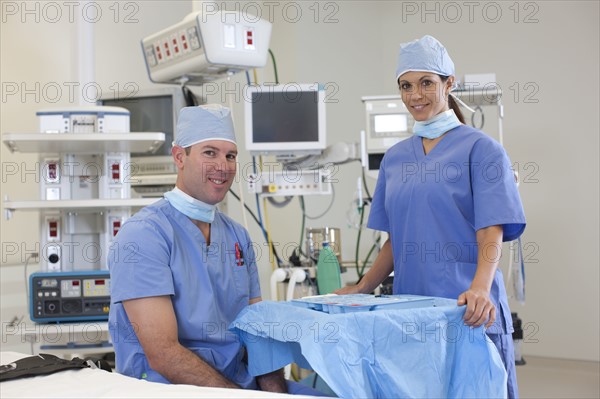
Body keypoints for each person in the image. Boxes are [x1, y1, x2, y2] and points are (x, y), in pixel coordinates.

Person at [336, 35, 525, 399]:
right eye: (406, 86)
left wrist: (481, 289)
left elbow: (491, 230)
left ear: (448, 83)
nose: (415, 95)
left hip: (467, 311)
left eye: (426, 83)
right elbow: (396, 240)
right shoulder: (394, 159)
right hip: (412, 312)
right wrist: (362, 287)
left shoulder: (482, 150)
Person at [108, 104, 323, 395]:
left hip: (237, 384)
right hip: (169, 388)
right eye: (209, 152)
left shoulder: (237, 236)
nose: (223, 166)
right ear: (179, 157)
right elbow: (163, 353)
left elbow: (257, 334)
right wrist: (235, 395)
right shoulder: (144, 235)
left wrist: (275, 395)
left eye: (230, 155)